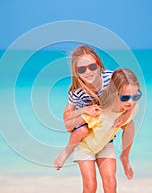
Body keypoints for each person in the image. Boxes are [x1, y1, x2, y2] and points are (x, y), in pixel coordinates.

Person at [54, 44, 131, 193]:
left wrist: (126, 116)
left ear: (98, 65)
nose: (88, 72)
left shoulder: (111, 78)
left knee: (110, 182)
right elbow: (67, 121)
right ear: (76, 72)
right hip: (84, 142)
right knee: (90, 185)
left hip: (104, 139)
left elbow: (129, 97)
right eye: (82, 69)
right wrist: (85, 110)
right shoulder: (77, 91)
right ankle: (65, 152)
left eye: (92, 66)